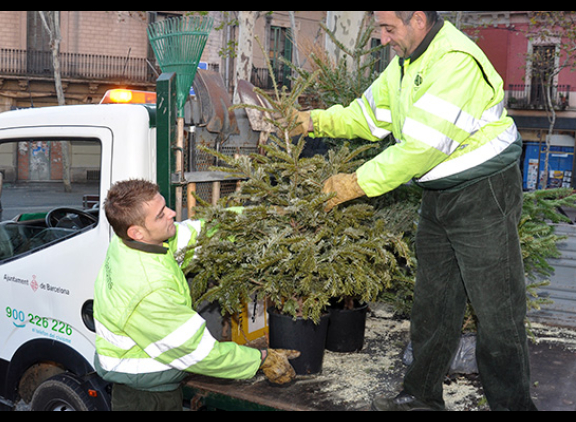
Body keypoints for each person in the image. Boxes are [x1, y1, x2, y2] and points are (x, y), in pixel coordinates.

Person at [295, 11, 536, 411]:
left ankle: (513, 406)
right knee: (433, 303)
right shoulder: (405, 64)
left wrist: (356, 183)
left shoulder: (455, 60)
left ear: (418, 19)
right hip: (440, 192)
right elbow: (368, 117)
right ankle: (420, 397)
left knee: (498, 312)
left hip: (482, 192)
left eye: (390, 29)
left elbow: (422, 147)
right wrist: (312, 121)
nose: (384, 38)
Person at [93, 179, 299, 411]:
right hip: (143, 395)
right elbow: (197, 352)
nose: (172, 213)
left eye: (165, 207)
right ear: (137, 231)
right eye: (161, 215)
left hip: (151, 381)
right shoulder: (147, 288)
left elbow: (198, 234)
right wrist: (261, 359)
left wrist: (263, 217)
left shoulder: (129, 243)